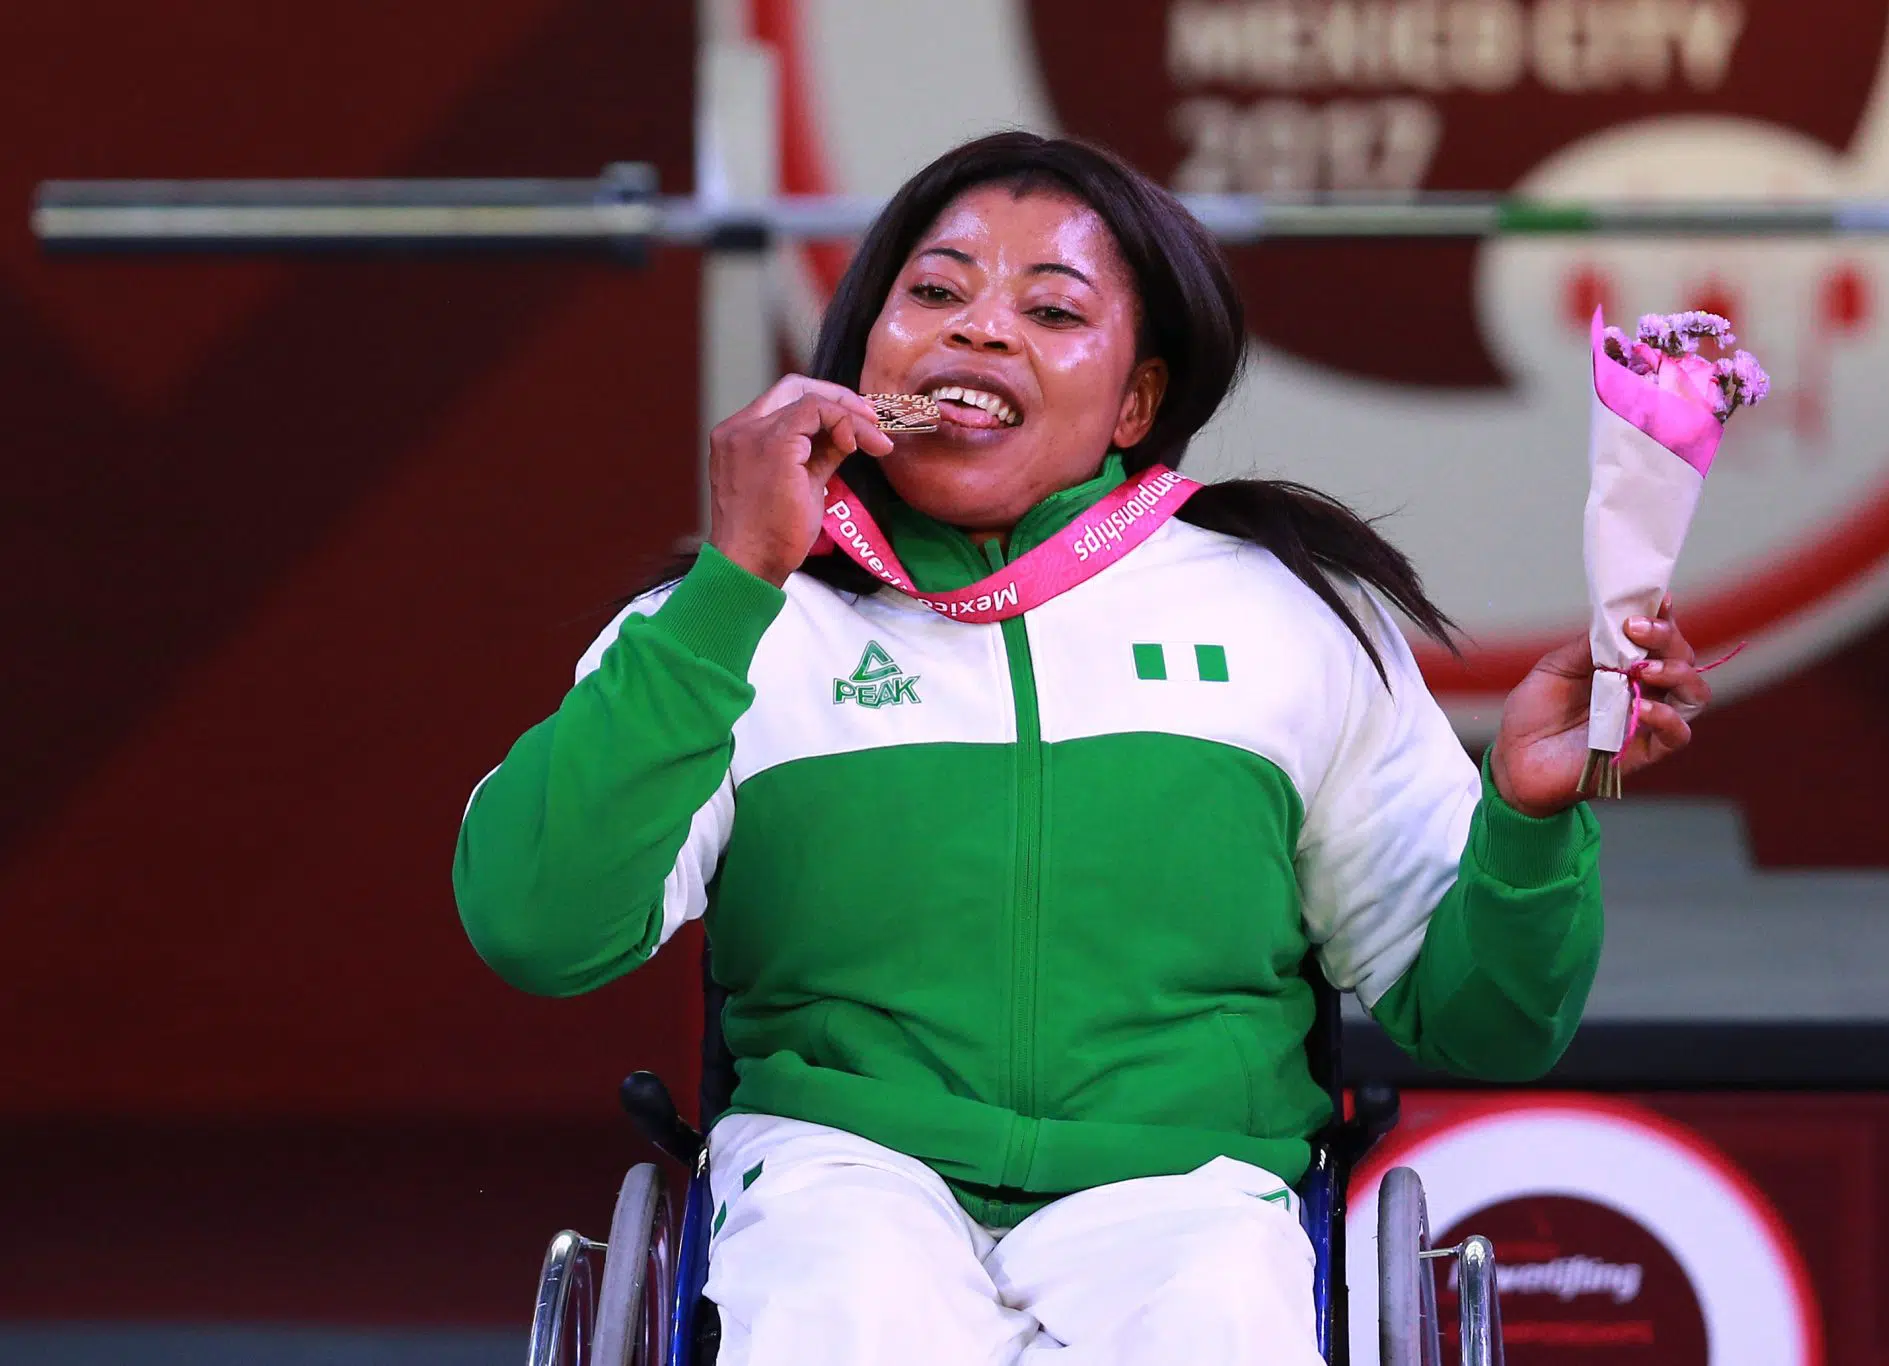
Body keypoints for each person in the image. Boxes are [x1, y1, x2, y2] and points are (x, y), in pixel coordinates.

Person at [454, 132, 1710, 1366]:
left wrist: (1526, 824)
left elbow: (1486, 1027)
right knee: (844, 1298)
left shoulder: (1288, 616)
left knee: (1219, 1315)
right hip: (838, 1177)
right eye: (934, 294)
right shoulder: (734, 624)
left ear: (1135, 403)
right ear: (864, 353)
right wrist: (732, 582)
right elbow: (537, 927)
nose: (979, 331)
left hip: (1189, 1195)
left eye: (1051, 311)